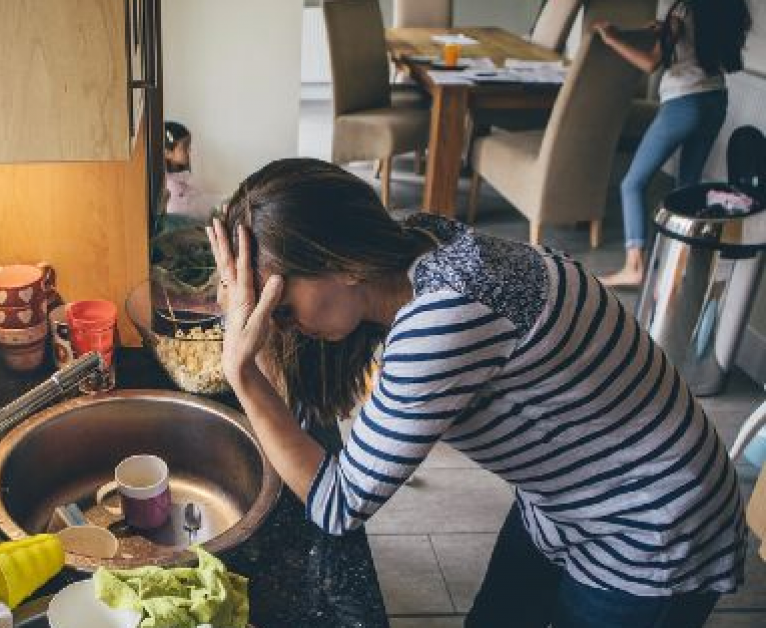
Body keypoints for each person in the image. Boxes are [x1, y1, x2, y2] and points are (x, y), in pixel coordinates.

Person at [207, 158, 745, 628]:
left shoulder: (441, 319)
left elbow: (337, 503)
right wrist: (255, 315)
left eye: (278, 307)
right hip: (562, 501)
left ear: (344, 265)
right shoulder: (421, 243)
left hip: (650, 524)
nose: (275, 325)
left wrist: (242, 370)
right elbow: (307, 410)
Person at [596, 0, 751, 287]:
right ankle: (678, 266)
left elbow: (650, 63)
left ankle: (635, 267)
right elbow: (695, 40)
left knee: (632, 183)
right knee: (687, 187)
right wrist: (666, 30)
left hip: (684, 103)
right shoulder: (721, 8)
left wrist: (610, 37)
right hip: (715, 99)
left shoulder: (683, 10)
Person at [164, 121, 220, 220]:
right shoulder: (172, 187)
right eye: (185, 147)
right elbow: (189, 210)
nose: (189, 150)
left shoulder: (180, 178)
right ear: (168, 153)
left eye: (189, 146)